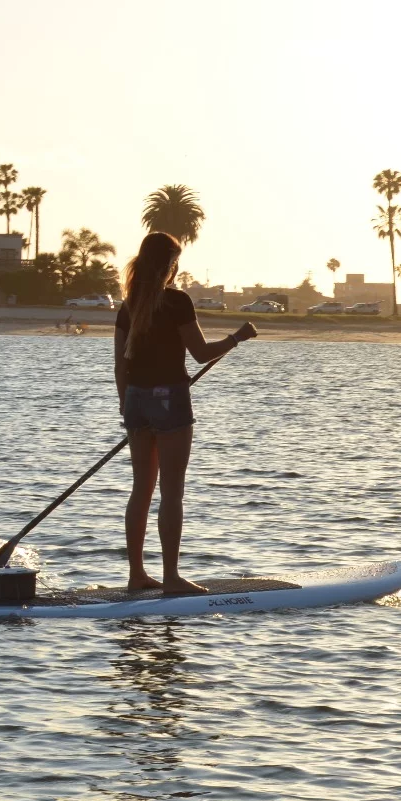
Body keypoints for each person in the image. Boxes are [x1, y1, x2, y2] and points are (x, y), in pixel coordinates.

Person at [114, 232, 256, 594]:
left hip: (135, 401)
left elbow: (120, 367)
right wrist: (238, 337)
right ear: (169, 264)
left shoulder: (129, 304)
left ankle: (136, 575)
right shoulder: (177, 301)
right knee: (171, 492)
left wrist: (127, 408)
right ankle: (172, 578)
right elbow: (201, 353)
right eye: (176, 260)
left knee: (141, 491)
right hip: (169, 401)